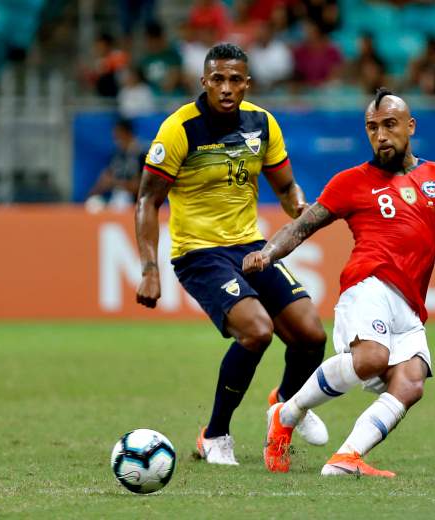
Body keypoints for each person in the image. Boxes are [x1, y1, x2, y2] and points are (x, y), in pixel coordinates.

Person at [243, 87, 435, 477]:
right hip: (368, 284)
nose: (381, 135)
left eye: (389, 125)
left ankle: (346, 457)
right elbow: (303, 225)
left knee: (411, 382)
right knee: (372, 359)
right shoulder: (352, 182)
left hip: (411, 305)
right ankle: (288, 412)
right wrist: (268, 253)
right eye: (372, 127)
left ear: (410, 126)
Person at [135, 43, 329, 466]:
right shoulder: (180, 129)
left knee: (312, 334)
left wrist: (299, 205)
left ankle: (287, 402)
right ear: (203, 81)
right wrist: (149, 268)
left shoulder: (262, 123)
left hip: (250, 248)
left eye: (235, 79)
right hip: (198, 253)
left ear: (247, 83)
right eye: (218, 79)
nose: (226, 87)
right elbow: (147, 201)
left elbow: (284, 185)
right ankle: (215, 434)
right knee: (257, 330)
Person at [85, 119, 144, 212]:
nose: (117, 140)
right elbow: (105, 178)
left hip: (134, 202)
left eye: (119, 136)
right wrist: (92, 193)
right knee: (93, 203)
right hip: (115, 199)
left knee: (123, 199)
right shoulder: (117, 155)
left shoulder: (141, 155)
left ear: (127, 134)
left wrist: (116, 182)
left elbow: (142, 185)